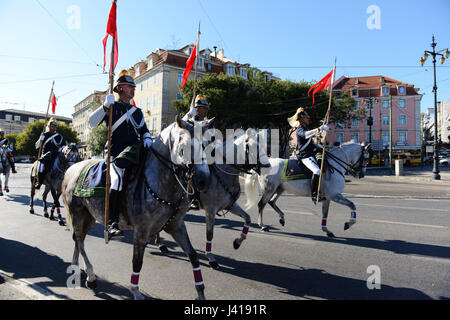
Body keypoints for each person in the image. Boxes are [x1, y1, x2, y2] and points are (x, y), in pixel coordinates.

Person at [89, 70, 153, 239]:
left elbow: (144, 130)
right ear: (120, 88)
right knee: (116, 180)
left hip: (135, 152)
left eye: (134, 86)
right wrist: (104, 106)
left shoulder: (137, 111)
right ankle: (112, 223)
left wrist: (147, 138)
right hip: (115, 154)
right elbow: (91, 123)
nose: (133, 89)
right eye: (130, 86)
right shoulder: (112, 106)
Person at [288, 107, 329, 204]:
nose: (308, 119)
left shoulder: (305, 128)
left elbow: (310, 143)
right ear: (301, 119)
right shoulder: (300, 130)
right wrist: (319, 129)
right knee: (317, 171)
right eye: (306, 118)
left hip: (310, 155)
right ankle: (314, 195)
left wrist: (319, 146)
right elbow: (306, 135)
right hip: (305, 156)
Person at [183, 94, 210, 210]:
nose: (205, 110)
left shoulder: (208, 123)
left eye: (205, 108)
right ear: (197, 109)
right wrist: (190, 113)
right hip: (190, 153)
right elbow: (180, 124)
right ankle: (193, 198)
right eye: (202, 108)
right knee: (194, 169)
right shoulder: (189, 121)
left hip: (206, 153)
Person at [34, 118, 66, 189]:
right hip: (46, 155)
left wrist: (62, 149)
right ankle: (39, 182)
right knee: (41, 166)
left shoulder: (59, 136)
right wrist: (40, 139)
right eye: (52, 126)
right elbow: (37, 146)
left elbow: (64, 145)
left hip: (56, 154)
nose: (54, 128)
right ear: (49, 127)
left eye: (55, 127)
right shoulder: (44, 134)